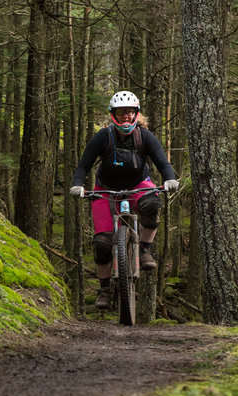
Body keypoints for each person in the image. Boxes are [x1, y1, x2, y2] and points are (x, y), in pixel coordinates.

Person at [69, 90, 179, 310]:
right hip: (105, 189)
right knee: (102, 243)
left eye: (130, 112)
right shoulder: (103, 136)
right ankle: (105, 289)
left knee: (153, 205)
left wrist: (170, 179)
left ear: (136, 114)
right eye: (121, 113)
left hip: (138, 184)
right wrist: (78, 184)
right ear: (114, 115)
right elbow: (84, 164)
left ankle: (144, 249)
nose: (126, 117)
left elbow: (162, 162)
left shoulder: (144, 136)